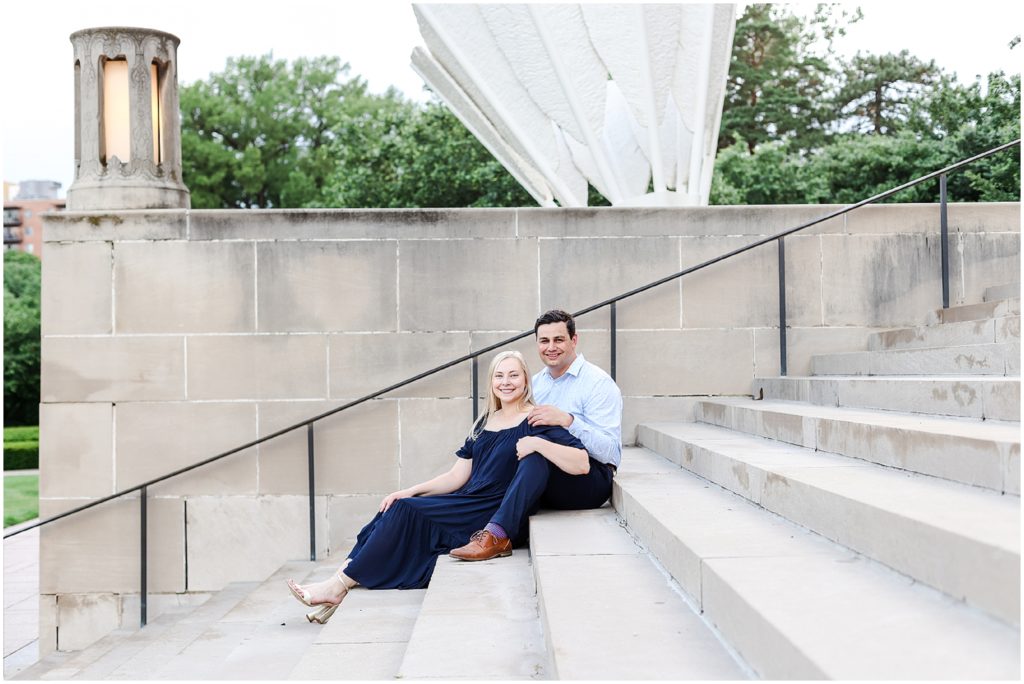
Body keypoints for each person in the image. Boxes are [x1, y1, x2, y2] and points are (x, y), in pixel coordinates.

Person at [286, 350, 586, 623]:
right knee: (396, 505)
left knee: (404, 512)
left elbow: (581, 462)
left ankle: (336, 587)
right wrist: (412, 489)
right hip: (465, 499)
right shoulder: (485, 421)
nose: (506, 382)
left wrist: (537, 444)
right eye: (499, 375)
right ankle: (339, 583)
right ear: (491, 381)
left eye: (513, 375)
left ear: (525, 380)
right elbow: (457, 476)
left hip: (492, 511)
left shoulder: (536, 419)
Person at [450, 309, 623, 561]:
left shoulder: (598, 384)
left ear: (574, 340)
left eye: (559, 340)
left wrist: (568, 421)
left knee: (536, 454)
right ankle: (468, 519)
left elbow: (610, 453)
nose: (551, 347)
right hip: (544, 474)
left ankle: (497, 535)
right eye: (544, 341)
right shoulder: (536, 384)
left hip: (588, 477)